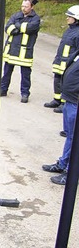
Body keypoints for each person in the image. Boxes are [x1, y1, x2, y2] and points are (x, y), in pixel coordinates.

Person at [42, 13, 79, 186]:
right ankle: (63, 164)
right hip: (70, 99)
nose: (67, 18)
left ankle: (70, 172)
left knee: (75, 138)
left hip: (75, 100)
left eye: (70, 16)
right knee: (71, 136)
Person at [0, 0, 41, 103]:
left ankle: (25, 93)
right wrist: (20, 28)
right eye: (22, 6)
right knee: (6, 72)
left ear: (32, 7)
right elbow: (8, 28)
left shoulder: (36, 19)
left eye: (26, 6)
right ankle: (3, 89)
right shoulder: (16, 15)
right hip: (12, 50)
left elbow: (30, 28)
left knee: (25, 75)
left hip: (24, 52)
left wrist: (17, 26)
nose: (23, 8)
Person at [44, 5, 79, 112]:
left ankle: (64, 103)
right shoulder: (70, 30)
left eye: (69, 16)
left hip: (68, 64)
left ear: (76, 18)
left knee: (65, 83)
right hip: (60, 61)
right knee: (57, 81)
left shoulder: (77, 33)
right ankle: (57, 100)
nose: (67, 18)